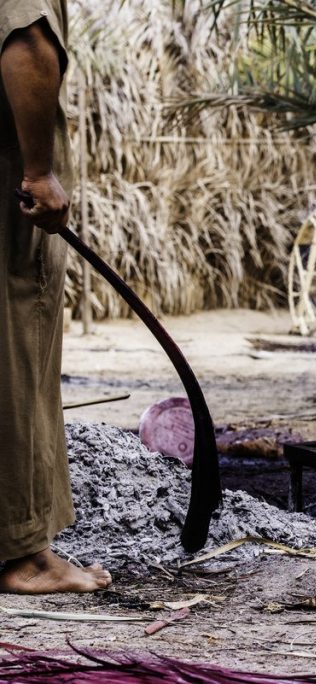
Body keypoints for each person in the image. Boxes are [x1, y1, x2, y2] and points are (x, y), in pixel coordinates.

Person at [0, 0, 111, 592]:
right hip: (7, 198)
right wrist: (39, 173)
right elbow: (26, 44)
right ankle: (23, 555)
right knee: (14, 352)